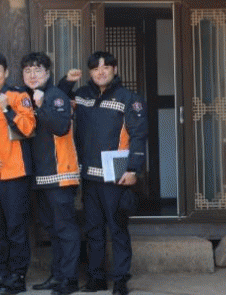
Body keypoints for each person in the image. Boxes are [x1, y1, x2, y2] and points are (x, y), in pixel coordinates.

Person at [65, 52, 148, 295]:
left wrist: (133, 169)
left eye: (106, 67)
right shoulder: (81, 96)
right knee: (93, 229)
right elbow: (57, 101)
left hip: (117, 170)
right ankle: (96, 278)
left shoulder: (129, 98)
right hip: (88, 172)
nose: (100, 72)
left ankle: (121, 280)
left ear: (114, 69)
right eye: (95, 68)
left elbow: (138, 136)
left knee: (118, 228)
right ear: (89, 72)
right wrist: (67, 82)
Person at [21, 53, 80, 295]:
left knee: (65, 229)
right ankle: (58, 276)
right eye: (28, 71)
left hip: (60, 174)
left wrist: (40, 106)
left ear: (47, 73)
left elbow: (60, 127)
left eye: (38, 70)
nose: (32, 75)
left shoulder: (55, 96)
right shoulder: (28, 97)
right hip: (40, 176)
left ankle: (70, 279)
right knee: (53, 229)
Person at [0, 52, 36, 295]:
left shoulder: (18, 96)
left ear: (6, 73)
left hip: (15, 173)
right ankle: (1, 274)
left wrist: (7, 109)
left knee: (15, 228)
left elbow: (29, 128)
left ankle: (18, 276)